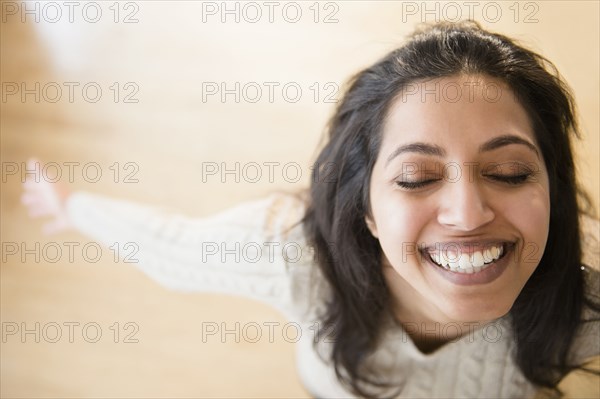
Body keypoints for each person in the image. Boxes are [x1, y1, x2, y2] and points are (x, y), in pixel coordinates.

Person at [22, 21, 600, 398]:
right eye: (417, 177)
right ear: (366, 210)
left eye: (508, 173)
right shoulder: (290, 255)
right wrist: (76, 208)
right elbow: (172, 248)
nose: (468, 212)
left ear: (551, 181)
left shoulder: (588, 288)